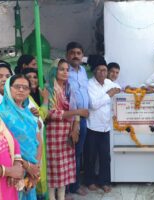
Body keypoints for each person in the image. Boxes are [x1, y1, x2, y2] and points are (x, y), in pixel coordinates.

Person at [46, 59, 89, 200]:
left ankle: (62, 196)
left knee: (64, 169)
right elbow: (50, 113)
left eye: (67, 69)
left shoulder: (69, 88)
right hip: (53, 134)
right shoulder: (49, 89)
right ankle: (52, 197)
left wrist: (76, 127)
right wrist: (77, 113)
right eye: (61, 69)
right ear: (54, 71)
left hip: (68, 132)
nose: (65, 72)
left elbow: (75, 109)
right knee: (53, 170)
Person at [0, 74, 42, 200]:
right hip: (13, 170)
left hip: (32, 167)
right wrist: (28, 167)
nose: (21, 90)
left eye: (25, 88)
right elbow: (2, 147)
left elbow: (38, 140)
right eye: (17, 86)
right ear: (8, 89)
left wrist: (36, 167)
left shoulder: (29, 112)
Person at [84, 56, 120, 193]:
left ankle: (104, 182)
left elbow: (119, 89)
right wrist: (109, 95)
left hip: (106, 127)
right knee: (90, 156)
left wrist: (120, 89)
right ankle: (90, 181)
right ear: (94, 71)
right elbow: (93, 104)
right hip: (92, 126)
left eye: (104, 70)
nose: (102, 73)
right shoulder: (89, 84)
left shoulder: (109, 83)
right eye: (99, 70)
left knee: (105, 157)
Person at [66, 41, 90, 196]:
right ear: (67, 55)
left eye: (78, 53)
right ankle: (68, 188)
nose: (76, 55)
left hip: (83, 119)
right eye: (73, 53)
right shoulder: (63, 71)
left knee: (78, 152)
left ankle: (74, 185)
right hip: (69, 119)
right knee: (68, 153)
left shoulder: (83, 71)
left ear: (82, 56)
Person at [21, 68, 49, 199]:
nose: (33, 79)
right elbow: (41, 117)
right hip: (29, 146)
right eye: (29, 77)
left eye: (35, 76)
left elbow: (41, 117)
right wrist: (45, 101)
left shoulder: (33, 96)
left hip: (40, 141)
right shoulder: (26, 99)